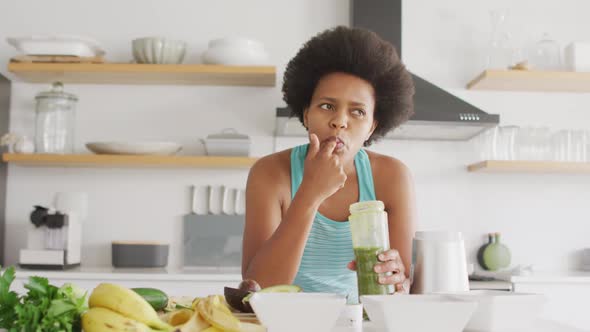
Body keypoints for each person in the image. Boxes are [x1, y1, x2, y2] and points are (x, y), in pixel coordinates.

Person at [241, 26, 416, 301]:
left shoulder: (393, 177)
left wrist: (399, 279)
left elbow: (403, 285)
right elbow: (258, 288)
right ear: (306, 113)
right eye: (326, 106)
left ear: (372, 127)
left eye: (357, 112)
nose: (340, 121)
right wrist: (311, 192)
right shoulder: (270, 174)